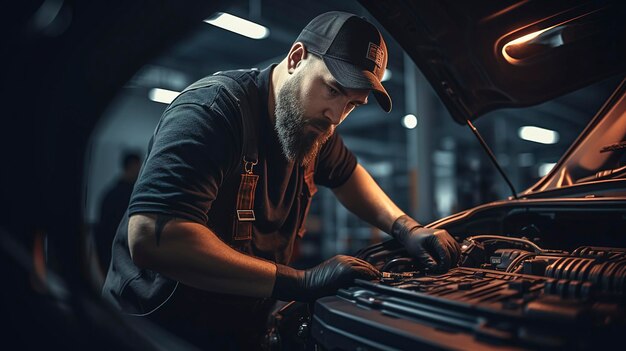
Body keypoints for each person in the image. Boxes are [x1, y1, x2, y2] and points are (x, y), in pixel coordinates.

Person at [102, 11, 461, 350]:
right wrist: (300, 282)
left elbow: (350, 177)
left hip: (236, 329)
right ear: (296, 58)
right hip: (155, 332)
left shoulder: (314, 128)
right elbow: (152, 238)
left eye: (352, 104)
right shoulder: (212, 112)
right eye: (333, 90)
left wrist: (406, 228)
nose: (336, 117)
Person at [95, 151, 141, 272]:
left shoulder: (109, 194)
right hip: (127, 259)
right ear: (132, 166)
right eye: (139, 166)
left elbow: (101, 232)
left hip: (111, 258)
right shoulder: (134, 196)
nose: (141, 171)